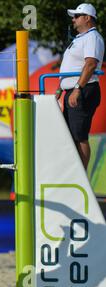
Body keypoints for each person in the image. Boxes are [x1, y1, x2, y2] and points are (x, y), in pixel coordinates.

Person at [56, 3, 104, 169]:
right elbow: (70, 67)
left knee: (79, 135)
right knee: (69, 136)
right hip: (74, 90)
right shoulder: (80, 39)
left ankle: (82, 179)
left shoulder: (93, 37)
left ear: (87, 18)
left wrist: (77, 88)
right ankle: (74, 176)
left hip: (84, 89)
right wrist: (60, 89)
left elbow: (90, 65)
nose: (73, 19)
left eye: (76, 16)